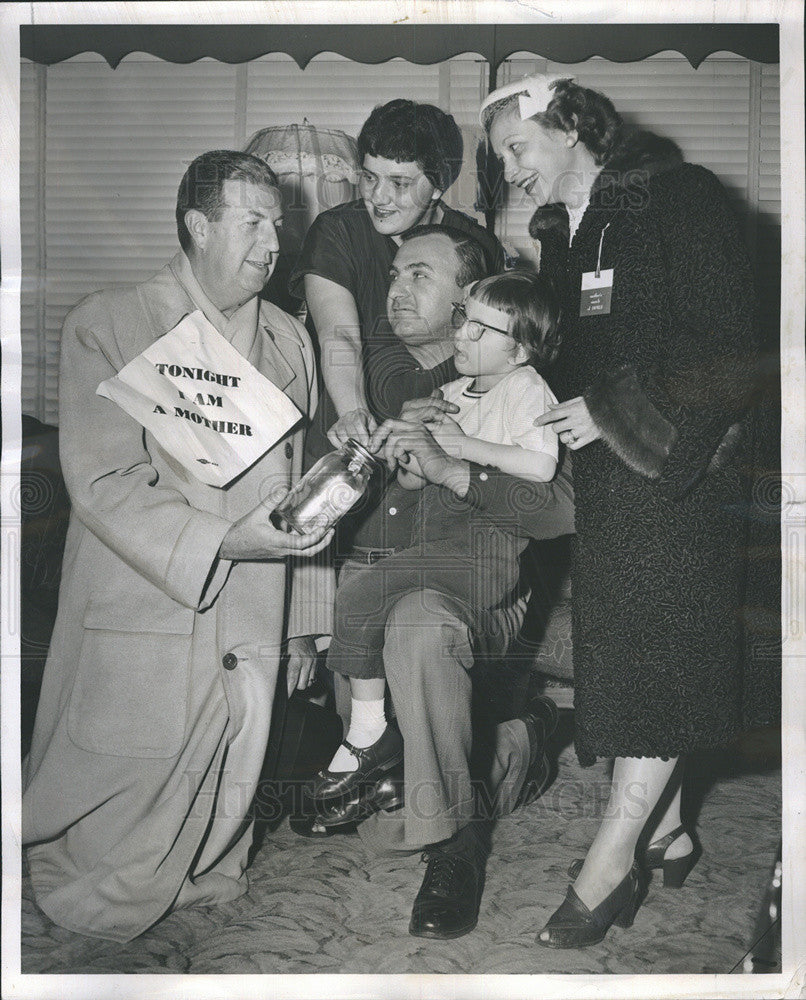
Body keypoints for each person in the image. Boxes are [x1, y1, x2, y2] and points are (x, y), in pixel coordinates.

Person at [482, 74, 777, 947]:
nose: (508, 173)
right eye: (498, 159)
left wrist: (612, 410)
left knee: (658, 662)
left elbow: (732, 350)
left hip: (683, 471)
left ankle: (610, 864)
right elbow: (572, 355)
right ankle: (673, 830)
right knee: (642, 652)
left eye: (516, 149)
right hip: (614, 480)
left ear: (570, 127)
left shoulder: (678, 197)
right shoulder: (567, 230)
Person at [21, 150, 334, 942]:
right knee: (121, 772)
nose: (274, 240)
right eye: (253, 221)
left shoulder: (293, 342)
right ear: (198, 225)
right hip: (148, 595)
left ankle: (201, 870)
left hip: (257, 607)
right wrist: (226, 538)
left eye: (279, 222)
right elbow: (103, 480)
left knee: (234, 758)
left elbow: (307, 482)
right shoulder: (111, 321)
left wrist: (309, 619)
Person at [307, 223, 575, 941]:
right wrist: (383, 451)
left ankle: (457, 847)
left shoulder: (522, 391)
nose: (396, 289)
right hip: (383, 594)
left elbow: (556, 507)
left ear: (468, 298)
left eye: (420, 276)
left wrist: (455, 462)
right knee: (370, 820)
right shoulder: (381, 380)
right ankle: (505, 747)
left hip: (462, 595)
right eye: (392, 275)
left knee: (420, 629)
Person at [315, 270, 562, 798]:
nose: (463, 336)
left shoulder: (525, 387)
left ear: (519, 352)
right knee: (359, 593)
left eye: (482, 330)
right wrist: (404, 455)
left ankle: (368, 735)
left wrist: (459, 448)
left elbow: (540, 466)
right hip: (437, 540)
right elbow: (415, 475)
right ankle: (379, 737)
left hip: (486, 551)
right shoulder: (449, 391)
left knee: (363, 592)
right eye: (463, 320)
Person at [289, 98, 505, 454]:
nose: (379, 196)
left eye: (399, 183)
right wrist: (354, 414)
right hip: (346, 429)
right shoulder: (337, 231)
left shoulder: (478, 244)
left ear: (437, 187)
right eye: (370, 178)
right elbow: (338, 337)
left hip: (441, 435)